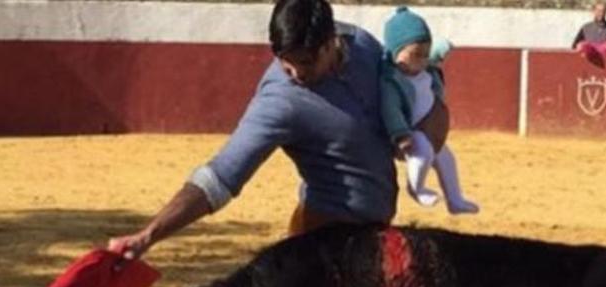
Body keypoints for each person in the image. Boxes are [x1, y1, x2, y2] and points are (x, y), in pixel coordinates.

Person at [108, 0, 450, 260]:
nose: (295, 72)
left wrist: (432, 103)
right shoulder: (280, 101)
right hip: (322, 245)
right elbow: (221, 176)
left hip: (375, 236)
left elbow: (403, 103)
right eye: (285, 59)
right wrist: (149, 234)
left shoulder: (362, 45)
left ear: (331, 42)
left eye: (306, 61)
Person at [380, 6, 479, 214]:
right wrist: (400, 134)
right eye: (416, 55)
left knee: (446, 157)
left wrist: (443, 48)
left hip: (429, 130)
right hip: (410, 133)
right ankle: (417, 188)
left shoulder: (423, 68)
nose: (422, 60)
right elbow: (391, 110)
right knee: (423, 151)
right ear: (396, 53)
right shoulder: (391, 81)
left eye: (425, 55)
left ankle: (455, 200)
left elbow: (434, 54)